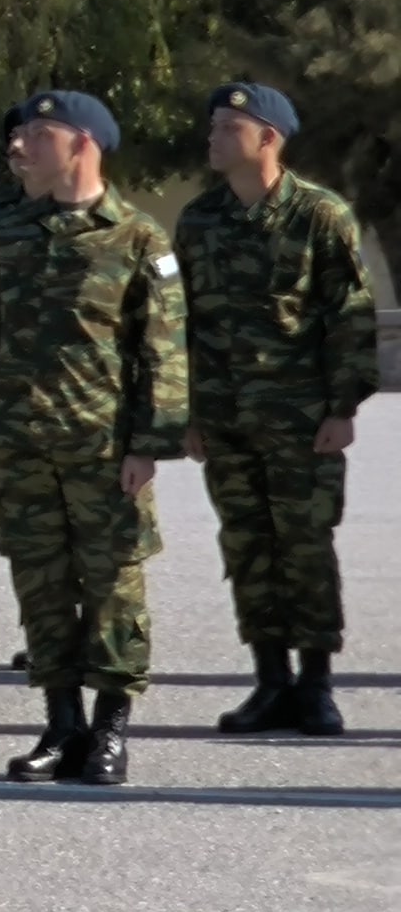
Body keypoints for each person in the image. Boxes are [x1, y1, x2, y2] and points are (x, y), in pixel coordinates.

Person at [0, 90, 190, 784]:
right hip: (23, 441)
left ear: (82, 145)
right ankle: (62, 723)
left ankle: (111, 728)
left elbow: (163, 350)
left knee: (112, 585)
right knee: (39, 584)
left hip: (102, 446)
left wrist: (147, 444)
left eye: (38, 135)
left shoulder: (138, 238)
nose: (20, 146)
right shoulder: (6, 231)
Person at [180, 80, 371, 737]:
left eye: (227, 127)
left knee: (305, 548)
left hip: (300, 420)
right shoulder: (200, 221)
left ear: (268, 138)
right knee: (247, 548)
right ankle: (270, 680)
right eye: (211, 126)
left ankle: (316, 683)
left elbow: (348, 318)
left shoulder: (321, 216)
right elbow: (185, 323)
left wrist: (341, 406)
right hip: (226, 418)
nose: (212, 136)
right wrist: (190, 412)